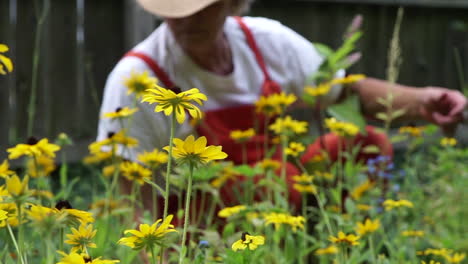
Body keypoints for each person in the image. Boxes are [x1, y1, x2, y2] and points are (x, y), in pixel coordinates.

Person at [97, 0, 467, 208]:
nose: (186, 20)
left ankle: (339, 240)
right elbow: (132, 205)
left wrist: (423, 103)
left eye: (200, 7)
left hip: (283, 206)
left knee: (366, 143)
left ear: (229, 3)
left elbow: (346, 92)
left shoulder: (265, 42)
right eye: (174, 10)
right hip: (201, 229)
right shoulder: (137, 79)